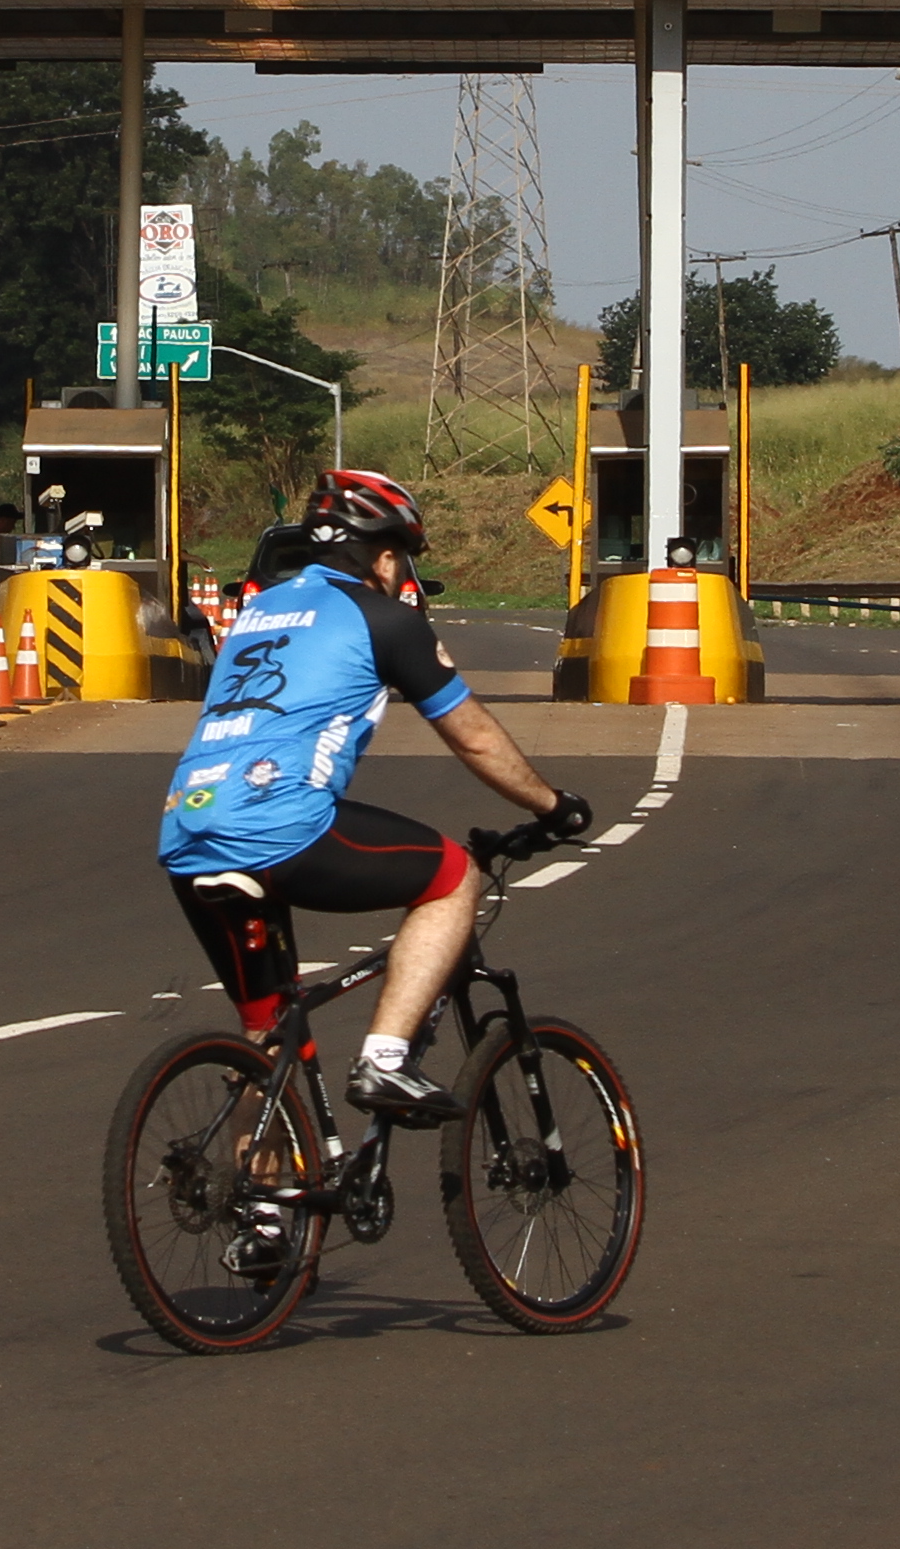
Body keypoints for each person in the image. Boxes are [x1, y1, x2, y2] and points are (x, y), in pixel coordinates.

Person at [157, 469, 588, 1125]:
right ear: (385, 557)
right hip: (280, 826)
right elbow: (474, 739)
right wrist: (551, 807)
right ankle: (386, 1059)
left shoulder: (258, 612)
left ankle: (250, 1186)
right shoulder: (385, 620)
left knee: (266, 1040)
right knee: (453, 878)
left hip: (188, 833)